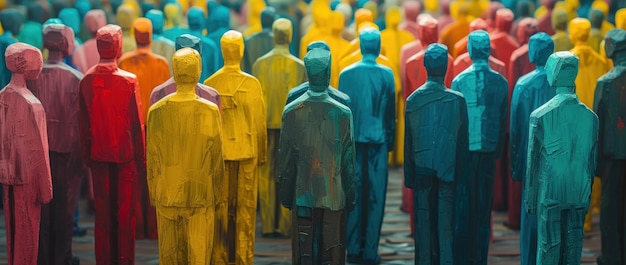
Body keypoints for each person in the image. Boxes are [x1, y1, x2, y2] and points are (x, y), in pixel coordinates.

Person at [279, 47, 355, 265]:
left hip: (302, 193)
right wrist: (351, 196)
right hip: (334, 194)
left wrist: (285, 196)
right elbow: (349, 161)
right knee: (333, 251)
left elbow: (285, 162)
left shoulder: (292, 110)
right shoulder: (343, 112)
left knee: (304, 254)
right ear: (329, 71)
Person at [526, 51, 598, 265]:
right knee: (574, 246)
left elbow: (533, 166)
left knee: (549, 246)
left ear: (553, 75)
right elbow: (591, 163)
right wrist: (588, 197)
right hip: (579, 190)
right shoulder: (591, 117)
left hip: (550, 193)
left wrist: (530, 199)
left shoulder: (540, 116)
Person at [404, 43, 468, 265]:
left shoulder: (413, 100)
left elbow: (409, 143)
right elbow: (462, 144)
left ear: (425, 65)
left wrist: (408, 176)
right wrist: (460, 174)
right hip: (448, 169)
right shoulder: (457, 100)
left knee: (423, 222)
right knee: (446, 223)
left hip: (422, 170)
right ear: (447, 66)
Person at [339, 27, 395, 265]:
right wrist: (390, 143)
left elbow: (341, 113)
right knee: (376, 197)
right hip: (378, 140)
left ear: (361, 46)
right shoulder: (387, 74)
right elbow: (390, 113)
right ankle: (370, 251)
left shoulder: (345, 74)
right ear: (378, 46)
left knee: (352, 195)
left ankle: (352, 248)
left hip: (352, 141)